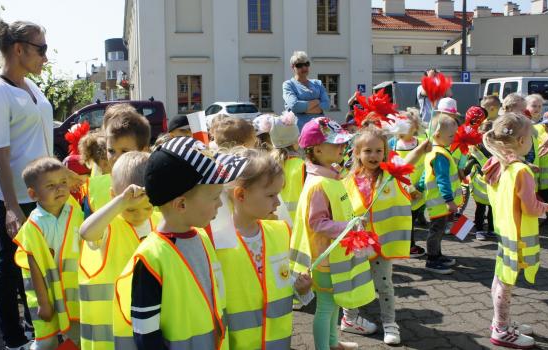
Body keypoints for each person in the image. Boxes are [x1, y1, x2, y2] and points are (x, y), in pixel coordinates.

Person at [114, 137, 249, 349]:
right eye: (214, 197)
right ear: (181, 204)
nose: (220, 203)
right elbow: (146, 335)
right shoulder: (150, 257)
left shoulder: (202, 238)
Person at [0, 18, 52, 349]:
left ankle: (36, 326)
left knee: (36, 264)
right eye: (41, 49)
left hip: (41, 193)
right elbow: (0, 157)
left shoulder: (30, 87)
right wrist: (10, 208)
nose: (45, 58)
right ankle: (14, 338)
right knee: (10, 268)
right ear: (19, 49)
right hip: (15, 197)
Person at [290, 117, 375, 350]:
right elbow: (316, 222)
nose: (342, 147)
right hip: (324, 258)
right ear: (317, 149)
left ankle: (333, 342)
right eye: (335, 144)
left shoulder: (330, 175)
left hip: (334, 254)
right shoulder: (319, 183)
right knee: (326, 306)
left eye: (342, 143)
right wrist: (349, 226)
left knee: (334, 302)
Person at [341, 123, 430, 345]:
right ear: (358, 153)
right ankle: (350, 318)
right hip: (358, 244)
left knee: (384, 284)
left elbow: (407, 163)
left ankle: (390, 323)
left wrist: (419, 151)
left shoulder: (390, 175)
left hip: (382, 245)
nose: (373, 155)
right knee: (355, 281)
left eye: (378, 151)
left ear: (386, 152)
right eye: (367, 151)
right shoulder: (348, 181)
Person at [217, 148, 313, 348]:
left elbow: (277, 278)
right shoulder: (215, 242)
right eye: (271, 195)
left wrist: (298, 287)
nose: (278, 202)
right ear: (241, 195)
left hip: (277, 341)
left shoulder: (279, 232)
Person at [483, 113, 548, 348]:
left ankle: (499, 322)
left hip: (505, 233)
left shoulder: (495, 162)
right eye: (532, 137)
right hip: (519, 236)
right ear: (522, 141)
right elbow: (531, 208)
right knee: (506, 283)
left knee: (500, 279)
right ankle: (501, 330)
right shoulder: (521, 171)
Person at [78, 151, 157, 349]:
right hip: (113, 333)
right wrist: (121, 202)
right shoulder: (108, 226)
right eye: (131, 209)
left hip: (149, 322)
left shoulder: (159, 222)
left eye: (147, 208)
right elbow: (86, 232)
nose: (140, 214)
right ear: (113, 195)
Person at [13, 157, 83, 349]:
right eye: (50, 185)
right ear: (33, 194)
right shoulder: (34, 225)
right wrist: (43, 303)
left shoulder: (74, 210)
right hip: (47, 294)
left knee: (77, 336)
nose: (60, 189)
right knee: (47, 341)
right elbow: (33, 266)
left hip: (73, 290)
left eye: (63, 182)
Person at [82, 105, 150, 216]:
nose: (115, 158)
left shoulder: (155, 183)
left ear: (143, 150)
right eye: (111, 151)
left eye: (124, 151)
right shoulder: (95, 187)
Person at [417, 115, 462, 274]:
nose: (454, 138)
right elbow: (442, 179)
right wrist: (449, 200)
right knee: (436, 231)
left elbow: (425, 174)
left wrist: (419, 187)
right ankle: (432, 260)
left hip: (439, 202)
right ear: (437, 135)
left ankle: (438, 255)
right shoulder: (440, 155)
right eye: (451, 135)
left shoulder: (434, 152)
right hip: (440, 203)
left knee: (439, 230)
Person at [389, 108, 427, 258]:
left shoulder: (422, 143)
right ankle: (408, 246)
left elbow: (428, 166)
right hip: (400, 189)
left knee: (412, 217)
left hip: (418, 189)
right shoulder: (392, 144)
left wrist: (420, 186)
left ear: (416, 126)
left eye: (409, 124)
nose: (405, 128)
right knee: (405, 218)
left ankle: (408, 245)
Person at [464, 121, 496, 241]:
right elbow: (468, 166)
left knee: (493, 208)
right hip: (480, 185)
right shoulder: (476, 149)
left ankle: (492, 229)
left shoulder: (497, 148)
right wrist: (462, 173)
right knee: (480, 208)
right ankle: (479, 229)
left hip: (493, 184)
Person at [283, 51, 330, 130]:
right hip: (299, 130)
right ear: (293, 67)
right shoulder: (288, 84)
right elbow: (295, 106)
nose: (304, 68)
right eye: (299, 65)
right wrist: (317, 102)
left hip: (320, 129)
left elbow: (327, 105)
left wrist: (302, 111)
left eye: (306, 64)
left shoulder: (318, 83)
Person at [270, 112, 303, 221]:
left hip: (277, 224)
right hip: (299, 224)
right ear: (295, 142)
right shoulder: (302, 166)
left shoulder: (268, 165)